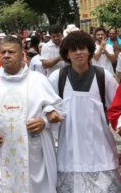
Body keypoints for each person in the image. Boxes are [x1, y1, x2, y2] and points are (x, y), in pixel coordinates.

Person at [0, 35, 64, 193]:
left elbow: (58, 111)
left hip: (33, 156)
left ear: (22, 55)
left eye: (11, 52)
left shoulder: (38, 81)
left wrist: (43, 122)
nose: (6, 55)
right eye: (3, 52)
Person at [48, 31, 121, 192]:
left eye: (82, 48)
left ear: (89, 50)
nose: (78, 52)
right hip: (69, 152)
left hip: (101, 152)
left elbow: (118, 106)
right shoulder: (56, 78)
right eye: (73, 49)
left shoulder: (104, 76)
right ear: (66, 54)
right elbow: (45, 106)